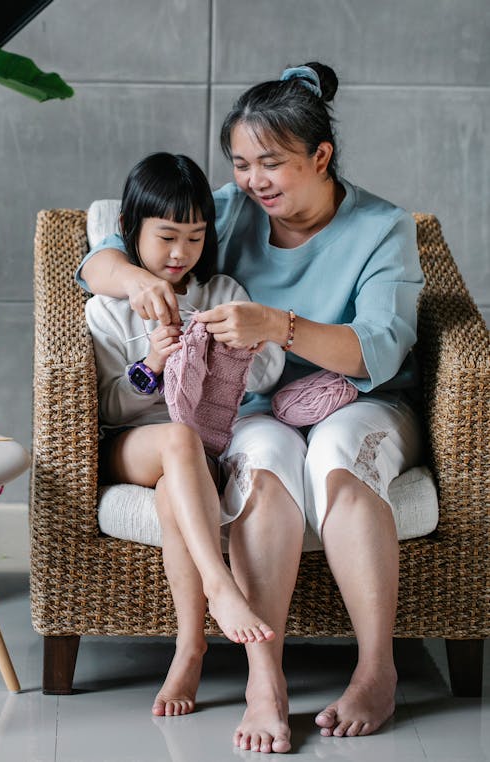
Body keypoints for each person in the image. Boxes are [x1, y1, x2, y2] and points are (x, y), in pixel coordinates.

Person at [77, 63, 424, 753]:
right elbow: (108, 249)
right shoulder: (232, 209)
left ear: (320, 157)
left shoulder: (383, 228)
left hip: (357, 396)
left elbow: (382, 347)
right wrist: (146, 285)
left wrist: (281, 328)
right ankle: (266, 680)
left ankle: (376, 671)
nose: (254, 180)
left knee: (334, 462)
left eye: (272, 163)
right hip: (256, 404)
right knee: (263, 464)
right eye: (241, 164)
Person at [84, 152, 286, 718]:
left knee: (181, 482)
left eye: (195, 239)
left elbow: (263, 382)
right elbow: (103, 406)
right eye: (167, 237)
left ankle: (190, 649)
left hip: (199, 449)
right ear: (132, 232)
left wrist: (246, 348)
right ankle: (221, 589)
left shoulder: (220, 291)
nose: (180, 254)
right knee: (176, 440)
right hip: (131, 443)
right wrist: (149, 366)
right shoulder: (108, 309)